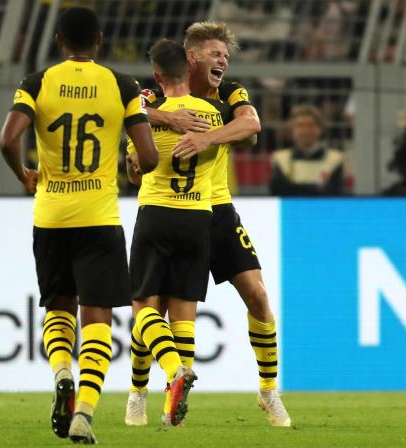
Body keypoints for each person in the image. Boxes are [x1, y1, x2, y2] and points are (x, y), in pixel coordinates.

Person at [0, 7, 158, 444]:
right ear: (100, 40)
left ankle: (62, 374)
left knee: (58, 308)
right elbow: (149, 156)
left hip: (50, 216)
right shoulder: (122, 85)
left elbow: (7, 138)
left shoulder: (37, 82)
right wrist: (133, 165)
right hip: (99, 217)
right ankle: (84, 412)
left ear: (58, 41)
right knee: (97, 317)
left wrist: (24, 173)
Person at [125, 21, 291, 428]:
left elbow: (251, 125)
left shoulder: (229, 94)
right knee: (158, 308)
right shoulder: (156, 95)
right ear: (192, 58)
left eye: (226, 56)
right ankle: (139, 394)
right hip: (180, 208)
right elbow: (131, 113)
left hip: (217, 210)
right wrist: (168, 119)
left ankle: (269, 391)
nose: (223, 61)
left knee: (257, 295)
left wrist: (207, 138)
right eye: (216, 54)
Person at [124, 38, 231, 427]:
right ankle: (173, 411)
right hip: (198, 217)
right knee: (184, 317)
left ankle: (157, 383)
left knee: (143, 310)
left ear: (156, 77)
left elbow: (137, 169)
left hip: (156, 213)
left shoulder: (148, 117)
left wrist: (134, 162)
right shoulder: (215, 115)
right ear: (189, 70)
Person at [269, 104, 345, 196]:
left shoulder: (334, 159)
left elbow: (334, 193)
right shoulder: (280, 159)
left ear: (320, 129)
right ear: (292, 130)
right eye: (300, 125)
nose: (306, 130)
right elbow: (278, 191)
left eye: (311, 125)